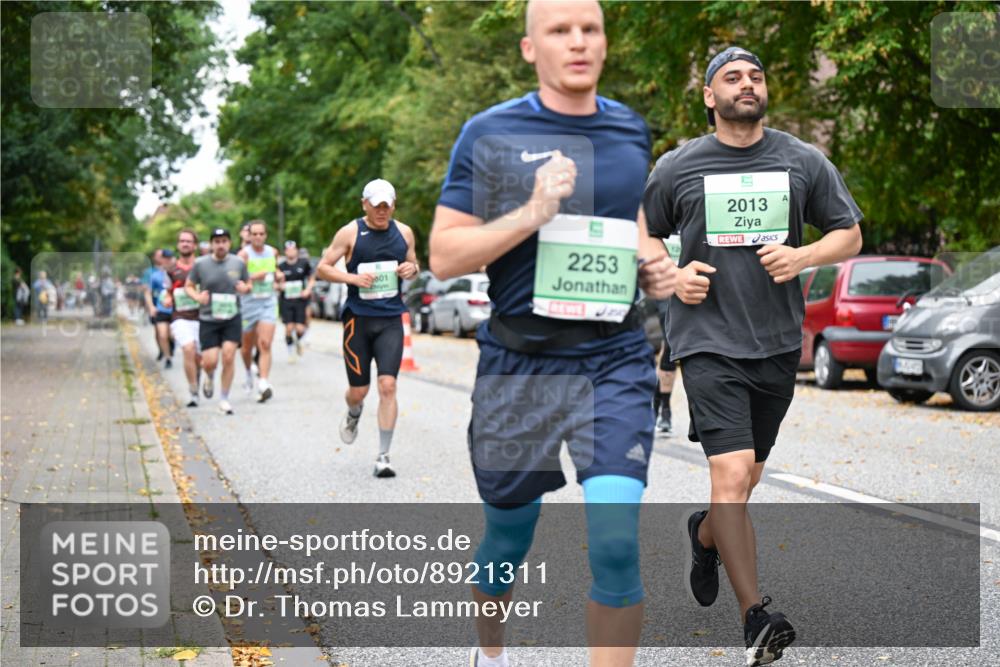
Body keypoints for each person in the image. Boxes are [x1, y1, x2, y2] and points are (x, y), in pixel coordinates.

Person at [429, 2, 676, 665]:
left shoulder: (629, 130)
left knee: (618, 543)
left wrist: (652, 265)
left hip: (614, 358)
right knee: (508, 540)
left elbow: (632, 225)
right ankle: (492, 650)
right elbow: (445, 256)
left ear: (605, 42)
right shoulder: (489, 132)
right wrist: (534, 210)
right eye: (560, 31)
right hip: (519, 364)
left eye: (590, 29)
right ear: (528, 48)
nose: (578, 43)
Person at [643, 46, 863, 667]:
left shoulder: (802, 160)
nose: (747, 83)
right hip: (706, 341)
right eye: (731, 77)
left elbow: (849, 231)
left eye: (756, 75)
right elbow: (637, 229)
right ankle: (756, 616)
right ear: (709, 97)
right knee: (732, 473)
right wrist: (669, 272)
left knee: (746, 479)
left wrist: (803, 257)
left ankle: (706, 532)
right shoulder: (679, 166)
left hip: (774, 343)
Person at [317, 178, 419, 478]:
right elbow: (323, 267)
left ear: (393, 205)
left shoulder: (404, 232)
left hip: (390, 320)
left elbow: (414, 265)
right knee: (358, 391)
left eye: (387, 206)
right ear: (365, 204)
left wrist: (411, 269)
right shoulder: (350, 233)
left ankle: (384, 456)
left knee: (388, 386)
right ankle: (353, 411)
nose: (382, 211)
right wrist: (352, 279)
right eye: (376, 206)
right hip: (357, 322)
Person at [186, 228, 250, 415]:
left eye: (224, 241)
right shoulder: (200, 264)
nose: (220, 245)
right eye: (217, 241)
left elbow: (248, 284)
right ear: (211, 244)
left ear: (229, 243)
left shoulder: (238, 262)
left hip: (232, 316)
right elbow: (188, 286)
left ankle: (224, 398)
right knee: (210, 361)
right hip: (208, 318)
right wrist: (197, 297)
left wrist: (244, 288)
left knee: (229, 356)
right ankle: (208, 375)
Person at [237, 220, 282, 402]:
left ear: (265, 235)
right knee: (247, 348)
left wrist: (278, 275)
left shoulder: (273, 252)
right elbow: (237, 280)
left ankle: (263, 382)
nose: (257, 237)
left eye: (261, 234)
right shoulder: (243, 255)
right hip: (248, 304)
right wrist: (254, 278)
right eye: (254, 234)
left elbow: (274, 270)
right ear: (249, 235)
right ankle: (249, 373)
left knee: (265, 344)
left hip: (268, 302)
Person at [162, 229, 203, 407]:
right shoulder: (171, 270)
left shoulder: (203, 266)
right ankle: (193, 390)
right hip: (181, 317)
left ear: (195, 245)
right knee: (188, 349)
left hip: (203, 317)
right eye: (182, 241)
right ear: (178, 245)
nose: (185, 244)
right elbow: (168, 292)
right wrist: (168, 298)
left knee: (201, 358)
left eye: (189, 241)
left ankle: (200, 380)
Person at [278, 240, 315, 359]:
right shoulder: (281, 266)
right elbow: (274, 283)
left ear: (297, 250)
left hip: (300, 299)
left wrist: (308, 290)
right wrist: (280, 286)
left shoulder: (304, 263)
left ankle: (299, 341)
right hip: (286, 300)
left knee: (300, 328)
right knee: (289, 327)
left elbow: (312, 278)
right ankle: (290, 351)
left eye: (293, 249)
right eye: (288, 249)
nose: (290, 252)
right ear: (285, 251)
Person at [144, 249, 174, 368]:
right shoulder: (154, 275)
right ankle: (167, 358)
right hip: (161, 309)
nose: (167, 261)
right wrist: (151, 307)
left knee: (172, 335)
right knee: (162, 334)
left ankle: (170, 345)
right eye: (164, 258)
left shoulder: (177, 273)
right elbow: (147, 292)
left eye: (169, 258)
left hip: (175, 310)